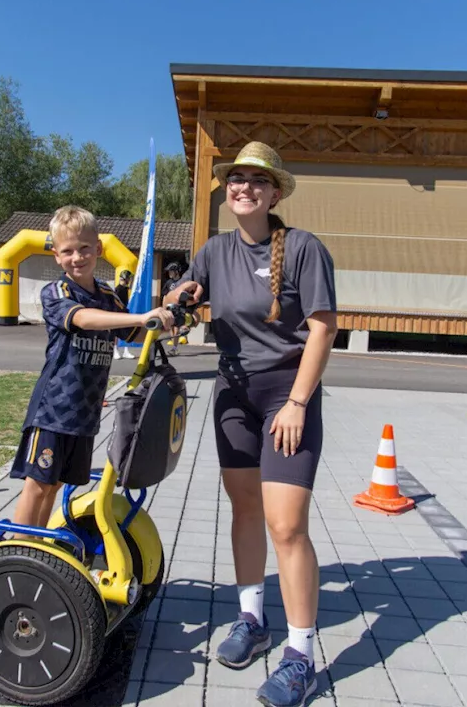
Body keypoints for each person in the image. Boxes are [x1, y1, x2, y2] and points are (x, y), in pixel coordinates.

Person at [164, 142, 337, 707]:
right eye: (236, 179)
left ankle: (300, 657)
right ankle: (251, 619)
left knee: (286, 526)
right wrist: (177, 297)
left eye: (257, 181)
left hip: (286, 399)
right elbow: (187, 294)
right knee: (243, 511)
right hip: (234, 397)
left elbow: (323, 329)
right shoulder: (214, 252)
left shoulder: (305, 248)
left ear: (275, 192)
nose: (244, 188)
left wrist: (298, 402)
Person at [9, 206, 172, 531]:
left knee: (54, 486)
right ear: (56, 256)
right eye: (67, 251)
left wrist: (169, 320)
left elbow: (134, 334)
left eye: (84, 248)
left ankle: (38, 548)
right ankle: (17, 550)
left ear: (98, 249)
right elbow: (81, 318)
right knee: (37, 484)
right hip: (53, 410)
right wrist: (139, 316)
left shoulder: (108, 296)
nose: (77, 257)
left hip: (85, 414)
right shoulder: (57, 293)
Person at [162, 262, 185, 355]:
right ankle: (174, 347)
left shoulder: (183, 281)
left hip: (179, 308)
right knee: (171, 328)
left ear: (176, 271)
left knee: (176, 328)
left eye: (171, 271)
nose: (169, 273)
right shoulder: (168, 283)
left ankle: (174, 348)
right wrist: (163, 308)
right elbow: (165, 295)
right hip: (170, 307)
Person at [112, 270, 135, 360]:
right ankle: (115, 350)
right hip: (118, 313)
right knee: (116, 333)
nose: (130, 280)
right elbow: (116, 302)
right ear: (126, 279)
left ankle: (126, 351)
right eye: (129, 278)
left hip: (124, 312)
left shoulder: (125, 288)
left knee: (127, 332)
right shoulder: (118, 289)